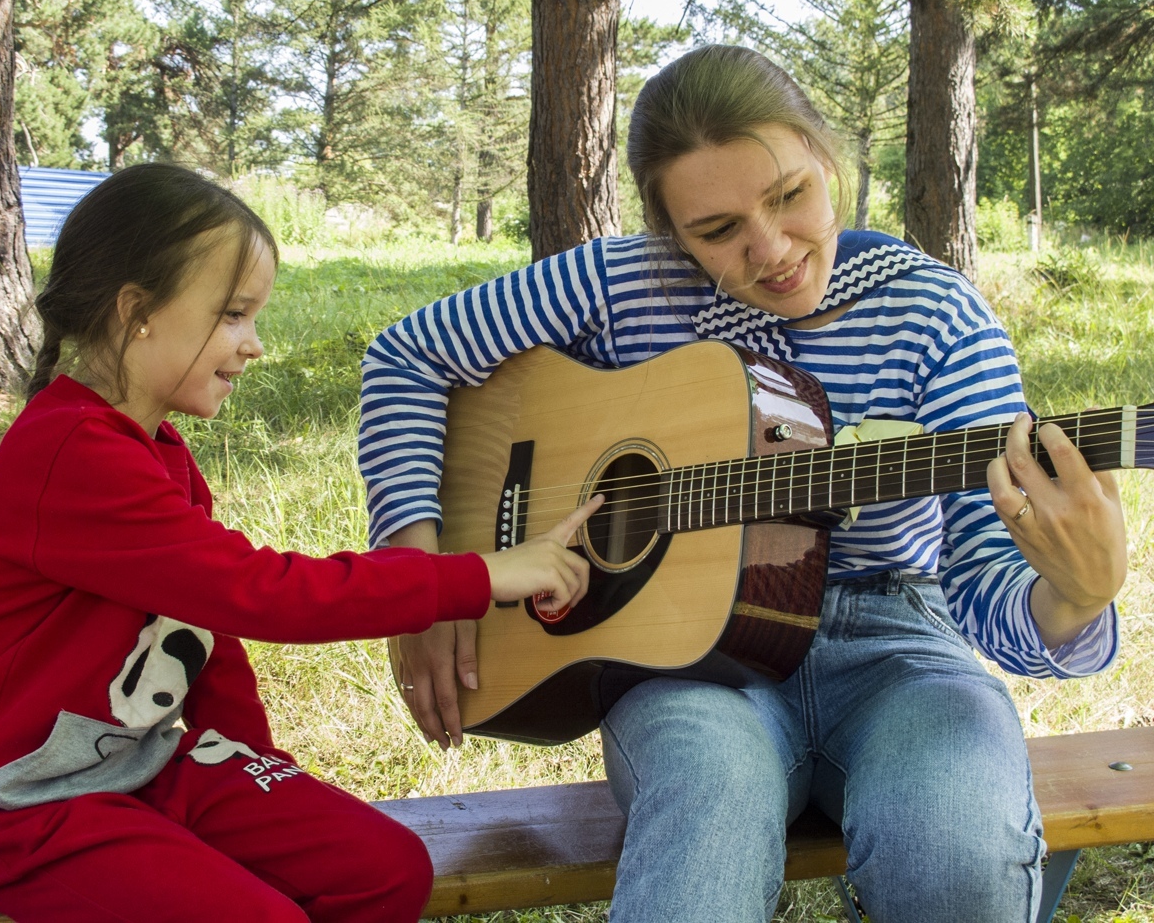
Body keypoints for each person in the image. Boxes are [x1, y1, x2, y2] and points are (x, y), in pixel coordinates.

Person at [356, 45, 1128, 922]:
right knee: (704, 826)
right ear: (668, 230)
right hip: (687, 666)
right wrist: (419, 574)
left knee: (956, 850)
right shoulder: (623, 282)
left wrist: (1076, 593)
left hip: (898, 647)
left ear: (824, 155)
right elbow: (408, 353)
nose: (772, 250)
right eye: (716, 231)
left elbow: (993, 596)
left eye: (790, 194)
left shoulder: (933, 315)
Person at [0, 162, 597, 923]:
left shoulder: (157, 446)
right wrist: (479, 574)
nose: (255, 345)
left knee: (388, 869)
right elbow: (263, 592)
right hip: (23, 806)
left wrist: (258, 768)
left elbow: (204, 630)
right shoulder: (70, 452)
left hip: (141, 764)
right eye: (234, 315)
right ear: (137, 310)